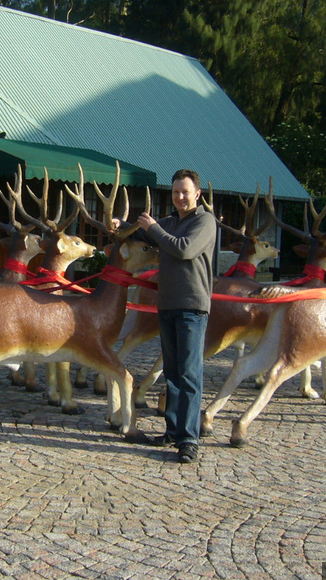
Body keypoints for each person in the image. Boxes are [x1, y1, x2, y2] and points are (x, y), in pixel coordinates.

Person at [134, 169, 216, 464]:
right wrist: (123, 226)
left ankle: (189, 439)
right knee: (171, 373)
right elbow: (143, 232)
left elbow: (185, 249)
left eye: (185, 192)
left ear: (197, 194)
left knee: (189, 374)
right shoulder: (169, 222)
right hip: (167, 305)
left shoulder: (205, 220)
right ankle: (173, 430)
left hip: (192, 308)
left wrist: (154, 229)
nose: (180, 197)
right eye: (175, 192)